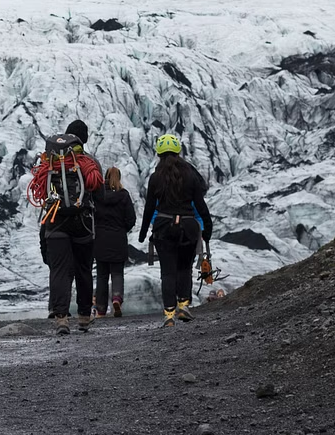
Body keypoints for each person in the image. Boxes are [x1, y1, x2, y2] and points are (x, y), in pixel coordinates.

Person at [33, 119, 103, 335]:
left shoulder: (50, 162)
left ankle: (61, 318)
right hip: (82, 223)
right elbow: (100, 195)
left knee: (59, 272)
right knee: (83, 269)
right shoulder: (89, 162)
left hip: (55, 223)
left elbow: (42, 192)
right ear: (85, 138)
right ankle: (83, 317)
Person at [137, 133, 213, 327]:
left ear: (159, 154)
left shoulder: (155, 177)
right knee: (184, 268)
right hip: (188, 227)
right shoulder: (190, 175)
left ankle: (169, 314)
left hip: (164, 227)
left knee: (168, 271)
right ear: (178, 152)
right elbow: (200, 204)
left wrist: (143, 232)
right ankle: (184, 306)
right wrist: (207, 228)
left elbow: (149, 208)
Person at [93, 167, 136, 318]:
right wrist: (122, 228)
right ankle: (117, 298)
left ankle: (101, 309)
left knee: (102, 275)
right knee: (117, 273)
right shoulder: (124, 196)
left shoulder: (97, 195)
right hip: (118, 238)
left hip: (100, 239)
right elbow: (131, 219)